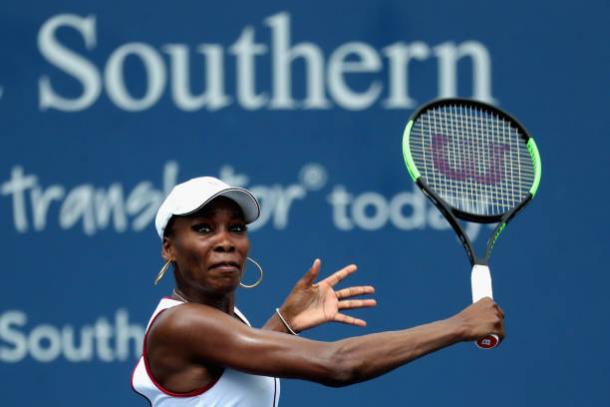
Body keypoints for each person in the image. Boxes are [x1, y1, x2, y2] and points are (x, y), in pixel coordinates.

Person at [131, 176, 505, 406]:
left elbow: (229, 386)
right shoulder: (184, 324)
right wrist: (458, 325)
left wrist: (284, 322)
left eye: (237, 228)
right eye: (203, 229)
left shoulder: (220, 324)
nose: (226, 241)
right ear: (169, 247)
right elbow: (338, 364)